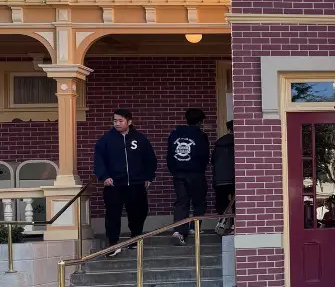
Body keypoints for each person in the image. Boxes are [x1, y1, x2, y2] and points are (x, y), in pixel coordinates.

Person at [93, 109, 157, 257]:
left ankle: (135, 239)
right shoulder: (106, 140)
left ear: (129, 122)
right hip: (114, 185)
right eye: (115, 121)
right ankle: (113, 244)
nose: (117, 123)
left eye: (120, 121)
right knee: (112, 215)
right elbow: (99, 160)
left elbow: (150, 159)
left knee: (138, 213)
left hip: (136, 184)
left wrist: (148, 177)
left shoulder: (140, 139)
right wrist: (104, 176)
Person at [167, 108, 211, 244]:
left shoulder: (174, 134)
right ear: (200, 121)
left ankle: (179, 231)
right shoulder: (201, 136)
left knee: (181, 202)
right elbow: (205, 156)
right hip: (196, 173)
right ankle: (194, 227)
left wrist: (174, 170)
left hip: (179, 173)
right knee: (199, 202)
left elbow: (169, 155)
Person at [211, 121, 234, 232]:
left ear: (229, 130)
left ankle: (222, 220)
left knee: (221, 202)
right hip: (234, 178)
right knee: (237, 202)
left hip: (219, 179)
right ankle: (235, 224)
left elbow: (213, 161)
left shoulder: (219, 144)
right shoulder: (240, 143)